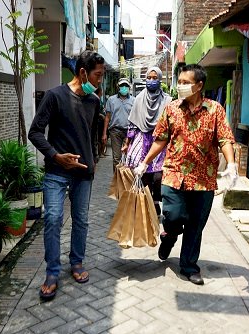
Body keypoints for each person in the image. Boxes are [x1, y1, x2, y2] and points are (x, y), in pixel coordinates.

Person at [134, 64, 238, 286]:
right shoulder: (171, 109)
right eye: (179, 82)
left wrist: (231, 165)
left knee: (195, 225)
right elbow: (160, 139)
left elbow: (225, 139)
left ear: (199, 85)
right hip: (173, 174)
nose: (180, 86)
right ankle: (169, 235)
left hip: (204, 178)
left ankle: (189, 266)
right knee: (173, 215)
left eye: (185, 82)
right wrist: (144, 163)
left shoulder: (215, 110)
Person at [28, 51, 105, 301]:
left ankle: (77, 262)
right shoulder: (54, 96)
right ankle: (52, 272)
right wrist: (55, 155)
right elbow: (36, 132)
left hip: (83, 174)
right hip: (57, 172)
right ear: (83, 72)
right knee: (52, 218)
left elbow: (91, 134)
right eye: (98, 75)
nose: (100, 80)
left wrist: (92, 160)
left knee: (81, 220)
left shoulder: (94, 101)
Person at [122, 67, 172, 215]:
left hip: (160, 141)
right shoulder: (138, 99)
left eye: (154, 78)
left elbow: (171, 124)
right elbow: (132, 124)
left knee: (158, 175)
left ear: (160, 79)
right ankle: (142, 205)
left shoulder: (168, 100)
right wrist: (127, 143)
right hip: (141, 139)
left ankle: (155, 202)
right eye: (148, 78)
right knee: (141, 173)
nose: (151, 81)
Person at [102, 78, 135, 171]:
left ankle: (125, 180)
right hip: (115, 131)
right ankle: (117, 180)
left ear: (129, 87)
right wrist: (104, 133)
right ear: (118, 87)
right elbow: (107, 117)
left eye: (126, 86)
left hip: (129, 132)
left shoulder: (134, 100)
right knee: (116, 158)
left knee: (128, 157)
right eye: (122, 86)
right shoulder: (111, 100)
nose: (124, 88)